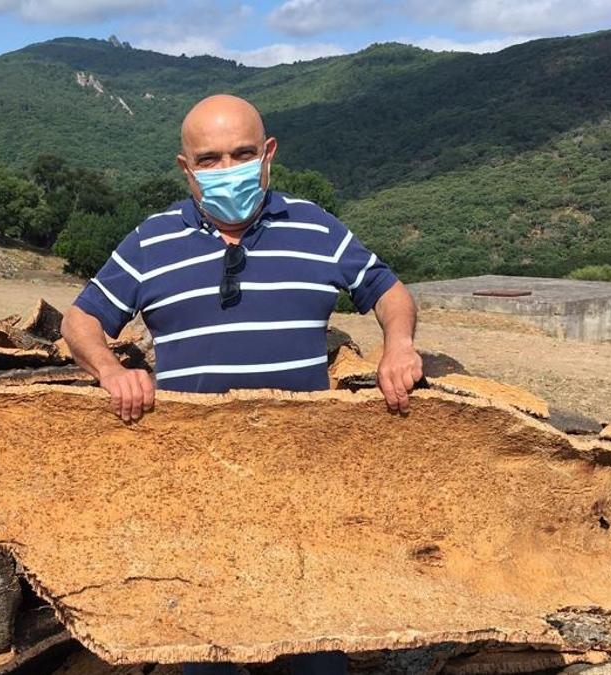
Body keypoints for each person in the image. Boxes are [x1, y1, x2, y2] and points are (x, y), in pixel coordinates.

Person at [60, 94, 423, 675]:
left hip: (305, 489)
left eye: (243, 154)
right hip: (196, 495)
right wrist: (111, 370)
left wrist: (398, 345)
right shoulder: (150, 242)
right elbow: (80, 321)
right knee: (208, 652)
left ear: (269, 154)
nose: (228, 170)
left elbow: (386, 288)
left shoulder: (316, 227)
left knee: (314, 654)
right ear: (185, 168)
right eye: (209, 160)